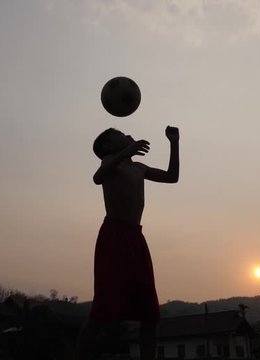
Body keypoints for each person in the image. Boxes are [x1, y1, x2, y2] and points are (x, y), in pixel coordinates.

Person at [75, 126, 180, 360]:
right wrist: (125, 152)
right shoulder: (111, 161)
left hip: (136, 238)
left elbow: (172, 177)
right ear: (107, 147)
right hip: (113, 236)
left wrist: (174, 142)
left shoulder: (139, 168)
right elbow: (97, 177)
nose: (125, 134)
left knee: (149, 313)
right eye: (118, 135)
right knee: (101, 310)